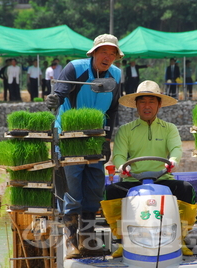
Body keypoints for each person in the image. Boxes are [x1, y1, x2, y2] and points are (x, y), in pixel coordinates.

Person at [46, 34, 124, 259]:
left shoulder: (116, 75)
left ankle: (87, 240)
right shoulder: (75, 69)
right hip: (70, 138)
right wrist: (53, 100)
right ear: (94, 53)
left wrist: (107, 139)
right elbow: (59, 94)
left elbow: (112, 110)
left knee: (94, 188)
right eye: (104, 52)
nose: (108, 57)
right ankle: (71, 241)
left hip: (96, 138)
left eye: (112, 53)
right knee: (72, 190)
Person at [101, 80, 197, 257]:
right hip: (132, 181)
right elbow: (119, 155)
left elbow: (176, 149)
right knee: (110, 192)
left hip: (164, 180)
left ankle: (180, 239)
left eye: (151, 101)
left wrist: (173, 161)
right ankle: (123, 241)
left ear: (159, 104)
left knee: (186, 190)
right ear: (136, 105)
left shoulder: (170, 129)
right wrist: (123, 167)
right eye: (143, 102)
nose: (147, 106)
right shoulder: (125, 130)